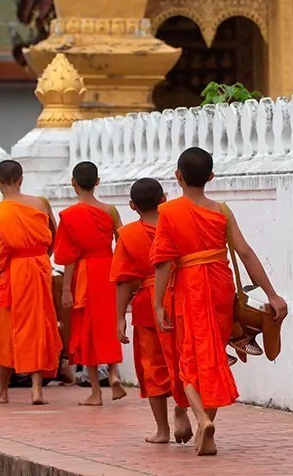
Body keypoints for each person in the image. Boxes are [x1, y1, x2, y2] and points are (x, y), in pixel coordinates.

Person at [151, 147, 288, 456]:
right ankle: (203, 426)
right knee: (213, 352)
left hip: (188, 287)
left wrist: (158, 303)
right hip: (218, 285)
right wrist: (271, 293)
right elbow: (246, 253)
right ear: (211, 177)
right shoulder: (222, 210)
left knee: (190, 360)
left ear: (178, 176)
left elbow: (162, 262)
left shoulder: (169, 213)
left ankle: (201, 419)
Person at [113, 178, 193, 444]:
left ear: (132, 205)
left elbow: (124, 280)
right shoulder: (180, 225)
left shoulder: (127, 235)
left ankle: (162, 430)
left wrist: (119, 318)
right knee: (183, 358)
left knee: (153, 366)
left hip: (148, 303)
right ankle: (181, 410)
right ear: (164, 199)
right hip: (182, 297)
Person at [0, 160, 62, 405]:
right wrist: (41, 258)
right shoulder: (39, 203)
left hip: (13, 271)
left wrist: (1, 275)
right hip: (39, 268)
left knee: (7, 328)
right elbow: (54, 234)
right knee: (37, 326)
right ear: (21, 179)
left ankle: (3, 390)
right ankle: (37, 390)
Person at [53, 161, 125, 405]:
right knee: (109, 322)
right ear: (97, 182)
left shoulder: (70, 216)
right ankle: (113, 374)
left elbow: (68, 255)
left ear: (73, 183)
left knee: (87, 330)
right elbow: (123, 242)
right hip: (108, 268)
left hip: (85, 273)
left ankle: (96, 392)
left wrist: (65, 289)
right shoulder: (110, 210)